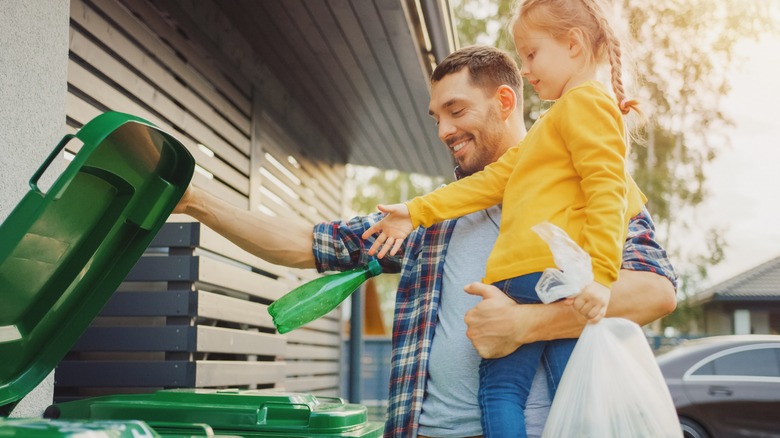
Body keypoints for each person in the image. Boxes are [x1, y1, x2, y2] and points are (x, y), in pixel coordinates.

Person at [173, 45, 677, 437]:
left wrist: (526, 323)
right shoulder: (429, 219)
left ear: (505, 101)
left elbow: (655, 291)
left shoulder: (587, 191)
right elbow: (310, 243)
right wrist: (198, 202)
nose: (444, 130)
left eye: (456, 110)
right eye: (436, 117)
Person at [363, 1, 652, 436]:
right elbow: (490, 181)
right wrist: (416, 211)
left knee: (508, 393)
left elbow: (606, 190)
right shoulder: (551, 126)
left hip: (538, 281)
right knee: (569, 386)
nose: (526, 68)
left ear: (573, 44)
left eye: (532, 54)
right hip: (527, 281)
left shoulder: (587, 104)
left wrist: (602, 277)